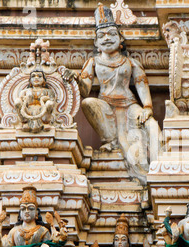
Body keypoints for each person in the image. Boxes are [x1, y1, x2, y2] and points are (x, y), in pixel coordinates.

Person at [62, 3, 161, 184]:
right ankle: (110, 140)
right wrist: (75, 78)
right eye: (102, 35)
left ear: (120, 39)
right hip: (105, 105)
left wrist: (147, 107)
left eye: (112, 34)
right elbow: (84, 90)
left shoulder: (129, 62)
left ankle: (154, 165)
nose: (107, 38)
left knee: (150, 124)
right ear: (96, 42)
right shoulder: (94, 62)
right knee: (88, 103)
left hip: (129, 105)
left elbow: (140, 84)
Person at [15, 68, 57, 133]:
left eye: (39, 76)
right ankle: (24, 122)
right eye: (33, 76)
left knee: (49, 103)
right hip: (27, 112)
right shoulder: (25, 91)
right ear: (30, 81)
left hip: (43, 112)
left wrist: (44, 99)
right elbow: (21, 100)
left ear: (44, 80)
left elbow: (52, 101)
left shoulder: (48, 91)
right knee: (17, 102)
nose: (36, 78)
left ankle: (46, 123)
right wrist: (26, 98)